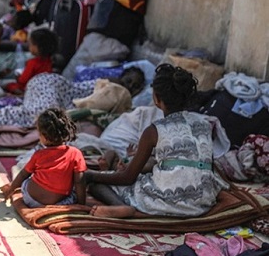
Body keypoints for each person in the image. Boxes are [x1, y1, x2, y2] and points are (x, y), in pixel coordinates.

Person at [85, 64, 229, 218]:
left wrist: (91, 175)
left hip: (169, 202)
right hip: (203, 202)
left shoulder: (154, 130)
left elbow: (127, 177)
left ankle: (121, 207)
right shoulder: (204, 124)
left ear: (156, 99)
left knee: (98, 185)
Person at [0, 67, 145, 127]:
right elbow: (93, 105)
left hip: (51, 88)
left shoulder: (123, 97)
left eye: (135, 86)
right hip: (52, 85)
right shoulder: (114, 86)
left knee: (32, 113)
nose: (129, 87)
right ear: (122, 76)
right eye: (129, 80)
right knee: (45, 117)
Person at [0, 108, 87, 207]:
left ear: (44, 137)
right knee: (73, 192)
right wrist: (81, 204)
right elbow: (80, 181)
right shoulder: (75, 153)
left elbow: (23, 174)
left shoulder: (39, 154)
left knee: (26, 181)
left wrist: (11, 189)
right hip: (59, 203)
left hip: (31, 200)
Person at [4, 28, 59, 95]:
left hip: (31, 88)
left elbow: (23, 81)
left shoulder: (32, 62)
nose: (29, 47)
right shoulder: (50, 61)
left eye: (30, 44)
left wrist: (18, 77)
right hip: (44, 88)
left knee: (10, 85)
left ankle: (22, 94)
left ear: (38, 47)